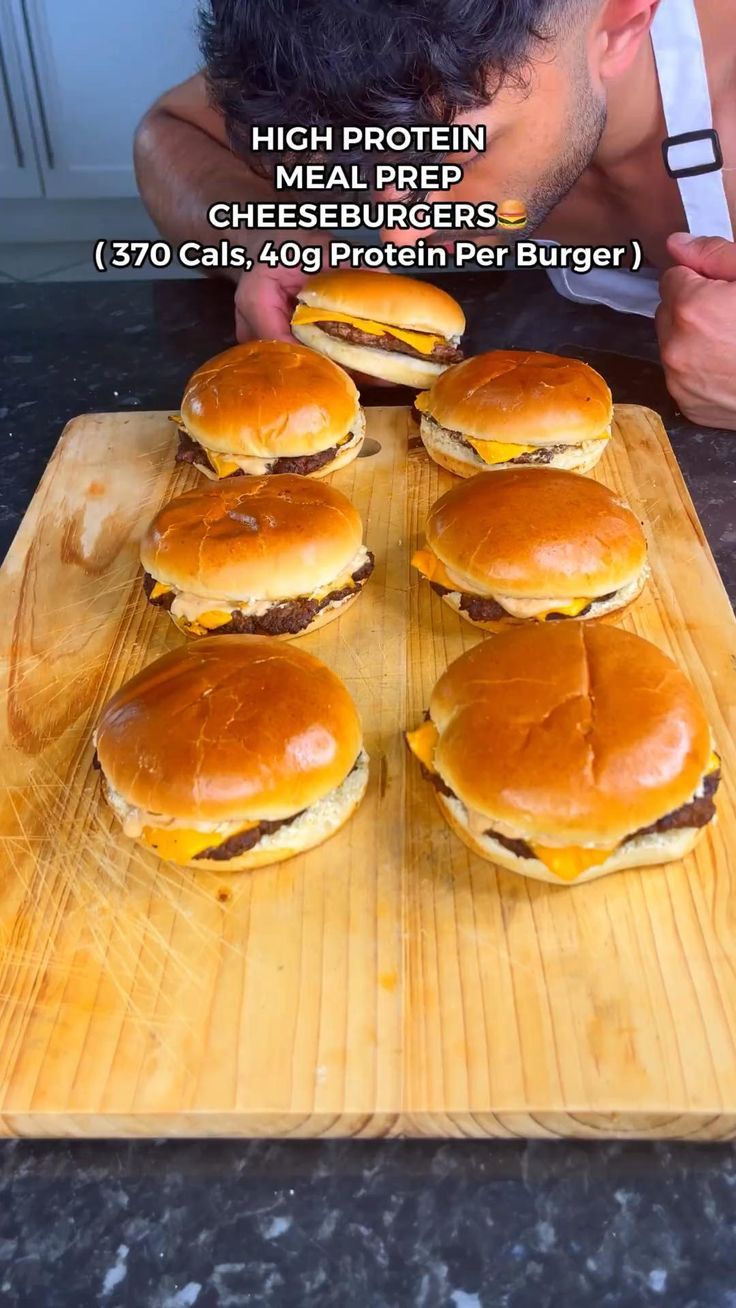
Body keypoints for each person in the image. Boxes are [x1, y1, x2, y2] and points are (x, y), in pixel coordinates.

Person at [134, 0, 736, 429]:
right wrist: (269, 236)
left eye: (456, 151)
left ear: (622, 26)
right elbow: (172, 130)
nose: (399, 231)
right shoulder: (366, 34)